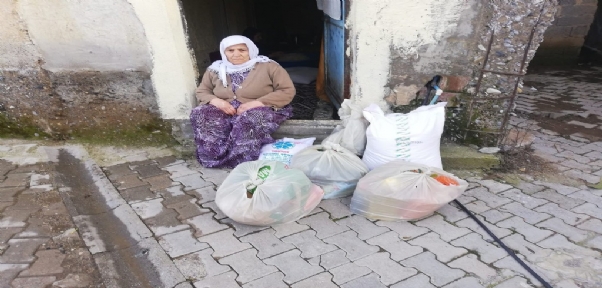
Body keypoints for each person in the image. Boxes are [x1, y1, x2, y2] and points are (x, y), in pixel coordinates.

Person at [190, 35, 296, 168]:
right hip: (226, 107)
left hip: (263, 107)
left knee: (249, 118)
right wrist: (216, 101)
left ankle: (241, 161)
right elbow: (202, 91)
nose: (236, 54)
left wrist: (257, 103)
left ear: (250, 50)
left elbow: (286, 90)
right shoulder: (215, 69)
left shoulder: (269, 66)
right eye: (230, 50)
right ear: (224, 52)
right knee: (200, 113)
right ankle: (213, 157)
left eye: (242, 50)